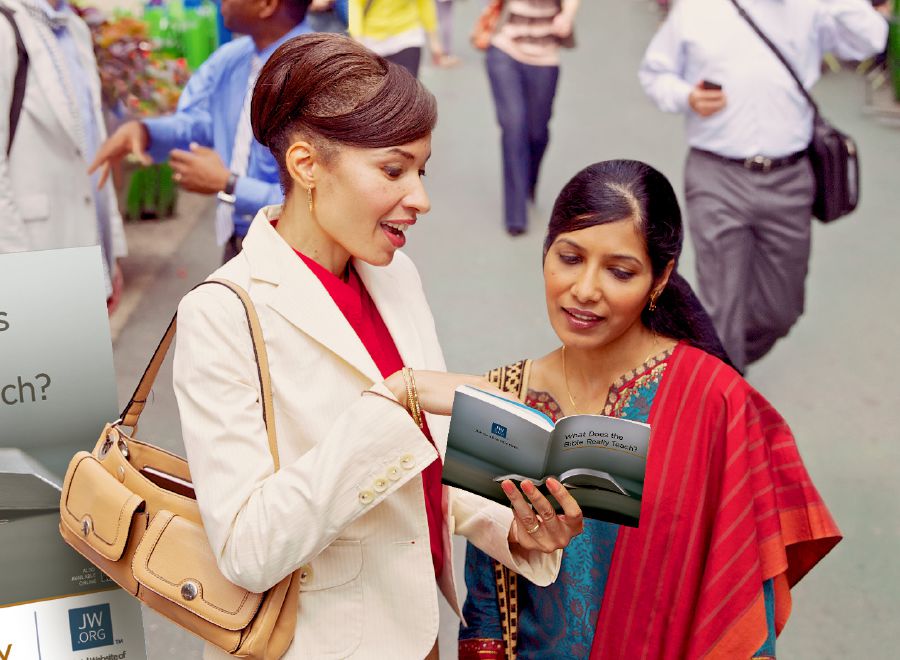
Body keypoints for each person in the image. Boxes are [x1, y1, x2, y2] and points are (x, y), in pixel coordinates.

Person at [172, 33, 584, 659]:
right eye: (393, 170)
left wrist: (519, 527)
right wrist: (396, 399)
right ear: (306, 165)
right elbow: (248, 550)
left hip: (418, 635)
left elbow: (431, 473)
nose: (420, 198)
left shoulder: (395, 275)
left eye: (421, 170)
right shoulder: (222, 313)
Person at [458, 160, 842, 659]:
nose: (585, 290)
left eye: (620, 271)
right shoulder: (503, 392)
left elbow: (740, 589)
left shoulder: (714, 400)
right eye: (569, 258)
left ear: (660, 278)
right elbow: (485, 598)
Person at [638, 0, 887, 372]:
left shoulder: (812, 7)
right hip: (716, 176)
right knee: (721, 307)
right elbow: (655, 74)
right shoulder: (696, 9)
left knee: (781, 312)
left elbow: (870, 40)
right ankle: (723, 384)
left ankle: (716, 362)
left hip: (790, 179)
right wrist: (686, 96)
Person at [90, 0, 312, 263]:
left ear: (266, 5)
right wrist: (147, 132)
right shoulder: (234, 58)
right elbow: (209, 126)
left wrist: (231, 184)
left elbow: (320, 198)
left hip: (297, 252)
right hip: (240, 244)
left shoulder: (314, 72)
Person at [0, 0, 127, 311]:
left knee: (79, 345)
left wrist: (111, 253)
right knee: (44, 344)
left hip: (82, 247)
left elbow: (93, 144)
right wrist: (17, 272)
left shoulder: (74, 28)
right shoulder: (5, 27)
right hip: (30, 252)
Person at [485, 0, 580, 236]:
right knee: (513, 126)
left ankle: (529, 181)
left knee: (537, 132)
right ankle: (515, 215)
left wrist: (567, 16)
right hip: (505, 48)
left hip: (545, 56)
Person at [349, 0, 445, 78]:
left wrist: (434, 41)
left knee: (408, 87)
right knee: (379, 91)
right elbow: (355, 5)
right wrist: (358, 41)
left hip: (407, 35)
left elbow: (424, 3)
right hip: (372, 41)